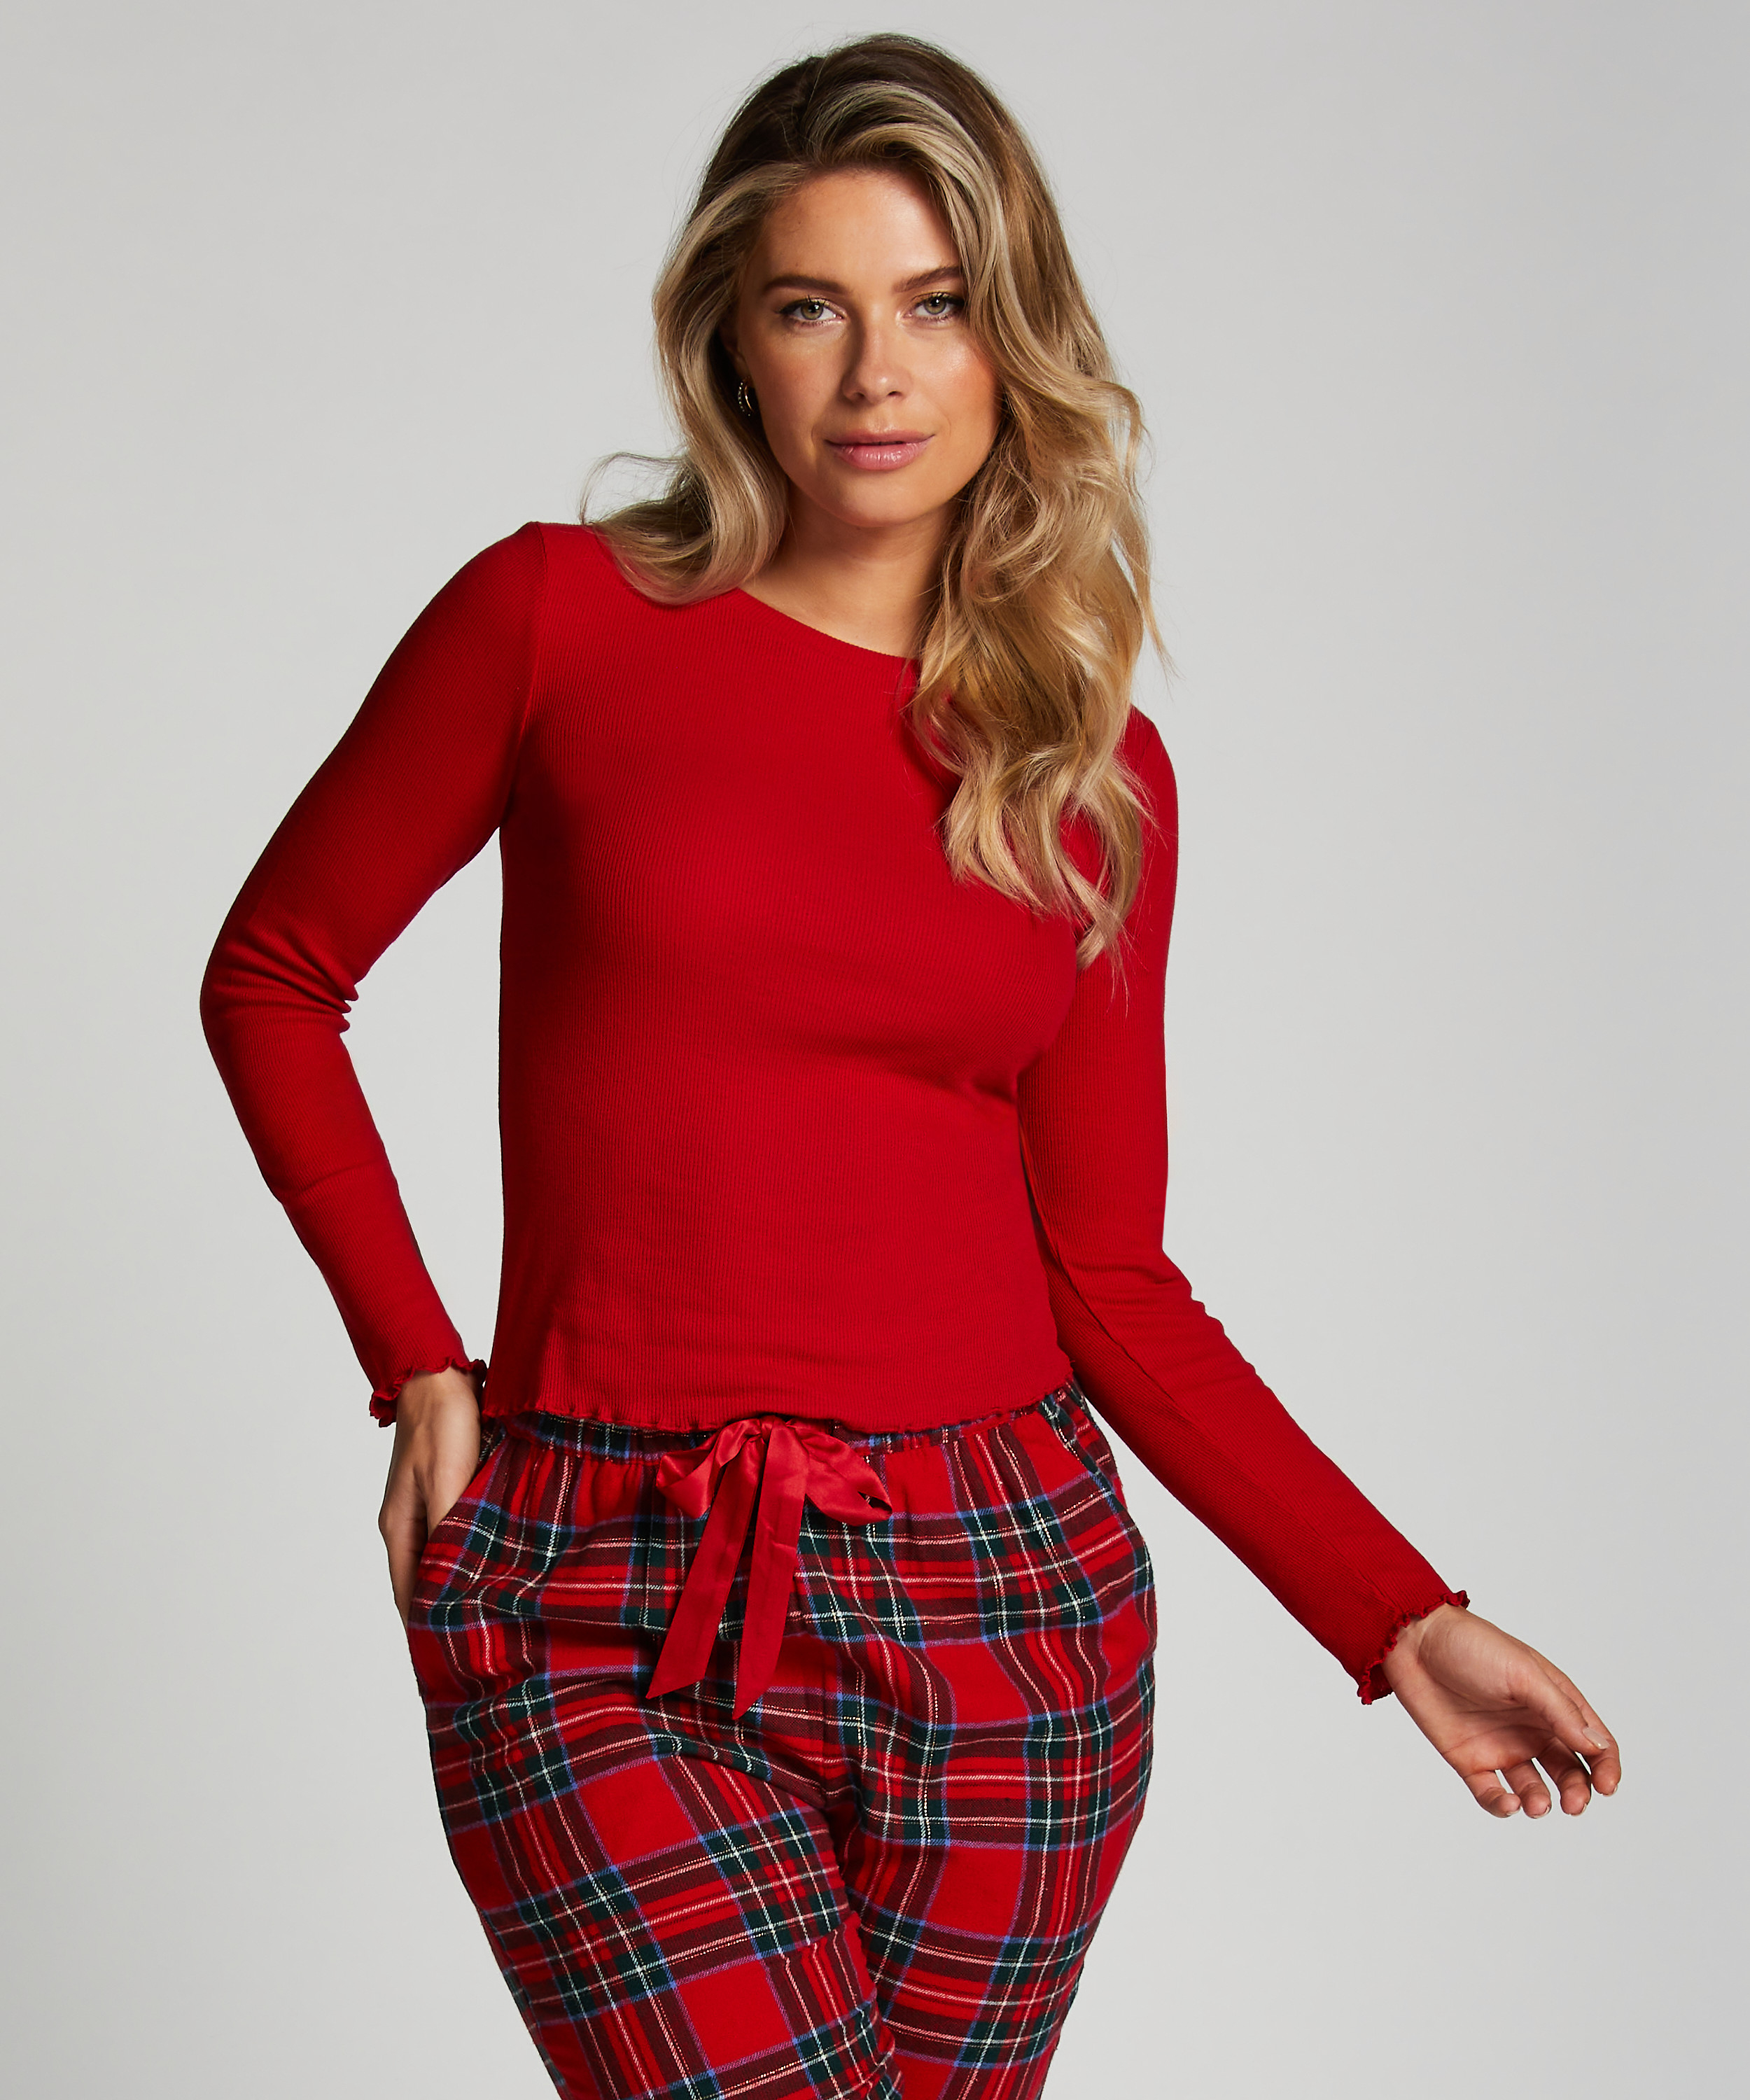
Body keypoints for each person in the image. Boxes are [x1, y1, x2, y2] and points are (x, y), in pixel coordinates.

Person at [200, 33, 1619, 2100]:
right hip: (599, 1576)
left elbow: (1109, 1278)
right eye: (812, 307)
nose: (876, 373)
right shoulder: (555, 621)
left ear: (1011, 340)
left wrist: (1396, 1618)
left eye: (935, 304)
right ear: (732, 340)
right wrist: (415, 1360)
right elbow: (274, 974)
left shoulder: (1089, 774)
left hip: (1004, 1606)